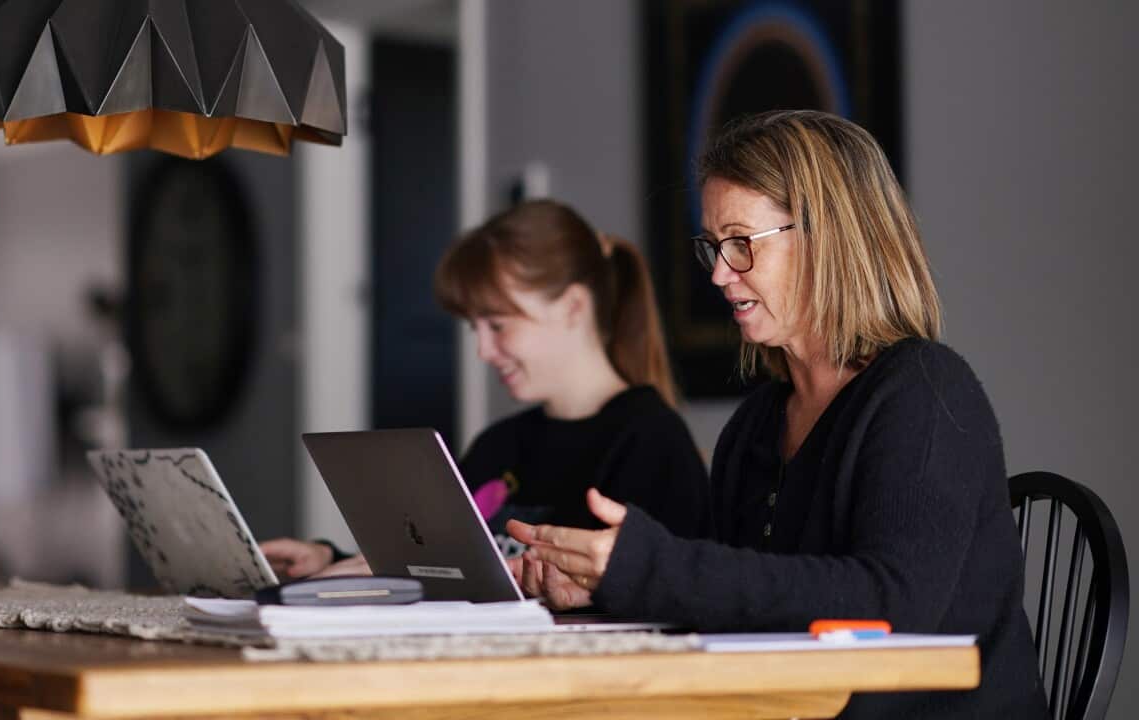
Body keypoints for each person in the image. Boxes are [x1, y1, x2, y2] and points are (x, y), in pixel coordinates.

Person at [508, 111, 1049, 718]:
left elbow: (892, 603)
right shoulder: (757, 424)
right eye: (713, 246)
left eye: (741, 243)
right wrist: (603, 591)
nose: (718, 273)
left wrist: (651, 566)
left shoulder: (926, 393)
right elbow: (743, 604)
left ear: (830, 237)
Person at [260, 199, 709, 579]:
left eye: (497, 325)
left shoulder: (650, 443)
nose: (483, 351)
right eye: (475, 327)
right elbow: (437, 565)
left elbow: (670, 592)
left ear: (573, 306)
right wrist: (330, 559)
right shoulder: (499, 446)